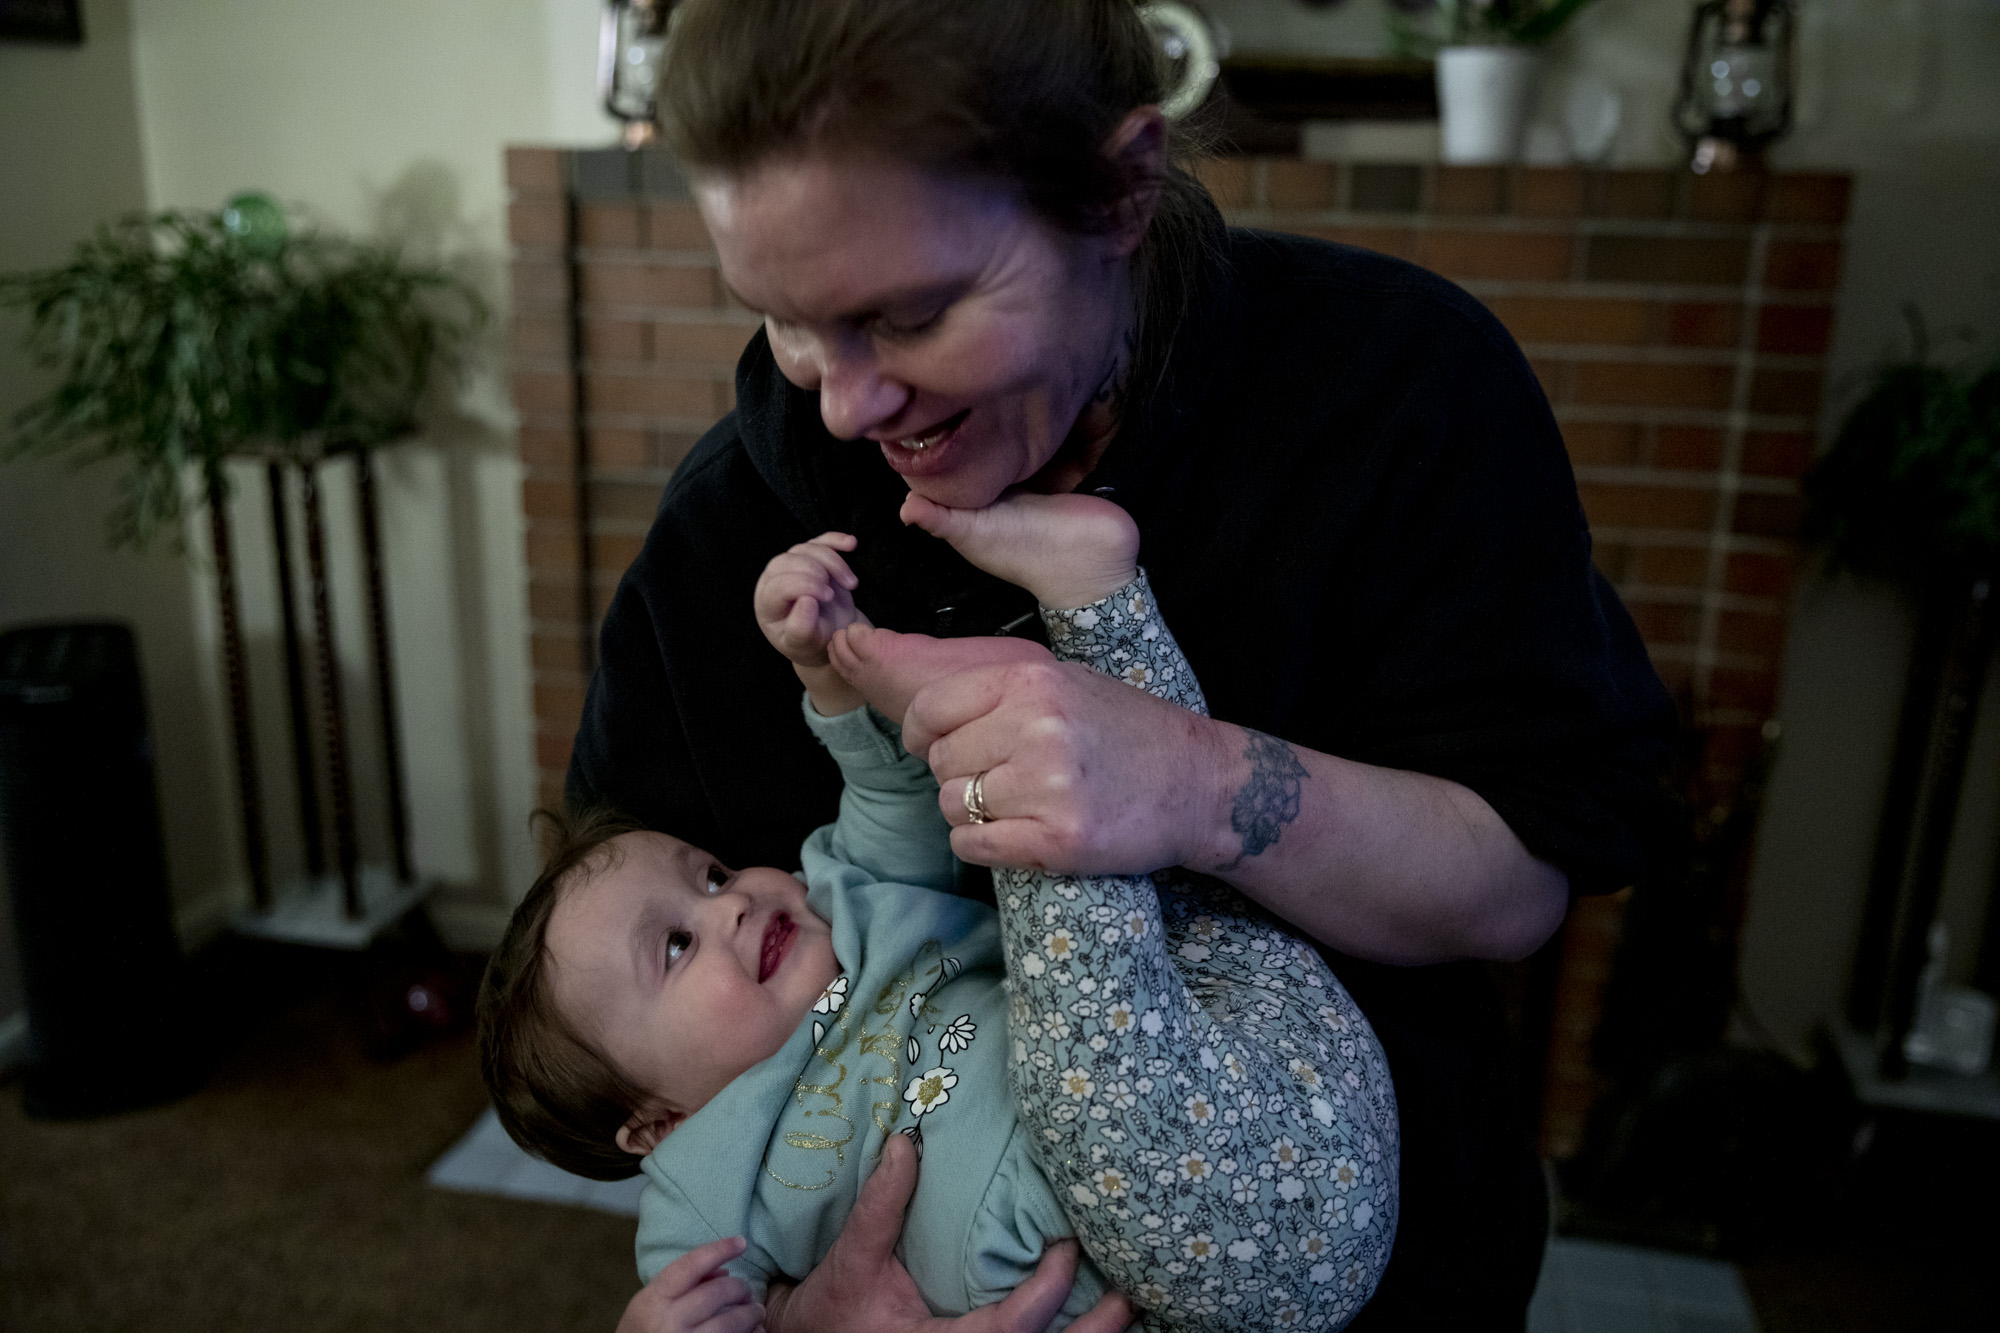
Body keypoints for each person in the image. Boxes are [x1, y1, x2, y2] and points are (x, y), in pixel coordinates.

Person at [579, 1, 1678, 1329]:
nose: (843, 403)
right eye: (785, 321)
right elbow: (618, 1038)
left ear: (1120, 187)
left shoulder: (1400, 389)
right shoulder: (729, 538)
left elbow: (1520, 882)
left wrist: (1197, 782)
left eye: (912, 314)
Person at [483, 493, 1399, 1331]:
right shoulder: (701, 1188)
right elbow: (720, 1314)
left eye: (713, 874)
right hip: (1187, 1263)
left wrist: (830, 665)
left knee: (1105, 847)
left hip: (1234, 1094)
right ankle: (1091, 613)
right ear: (653, 1124)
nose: (728, 907)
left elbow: (882, 795)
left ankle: (1066, 640)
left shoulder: (850, 901)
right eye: (676, 945)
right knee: (1100, 855)